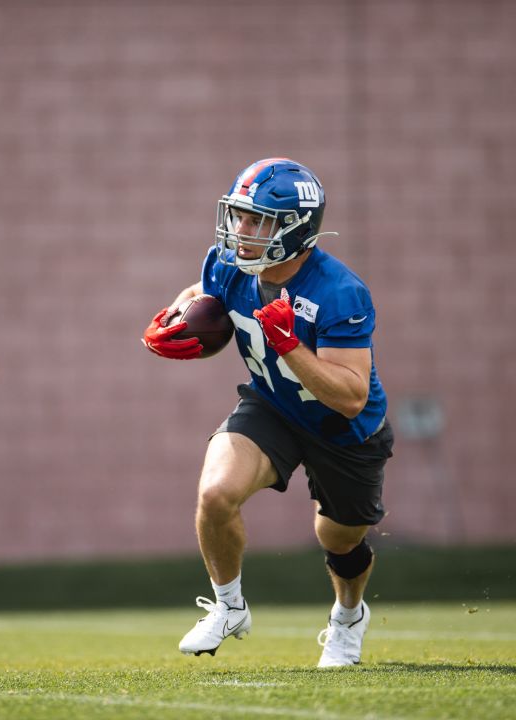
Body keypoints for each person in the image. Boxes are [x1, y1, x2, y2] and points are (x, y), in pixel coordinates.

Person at [142, 158, 394, 667]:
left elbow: (349, 395)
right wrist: (175, 315)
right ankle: (229, 606)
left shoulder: (340, 291)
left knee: (336, 538)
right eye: (239, 216)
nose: (241, 231)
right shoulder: (228, 261)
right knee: (216, 493)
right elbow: (204, 294)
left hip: (342, 429)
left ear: (295, 228)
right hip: (273, 406)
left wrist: (288, 345)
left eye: (257, 221)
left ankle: (348, 617)